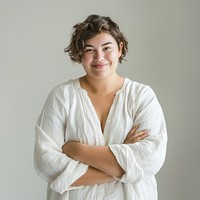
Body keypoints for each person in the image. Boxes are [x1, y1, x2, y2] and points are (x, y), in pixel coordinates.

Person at [34, 14, 167, 200]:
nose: (99, 57)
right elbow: (46, 164)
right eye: (90, 50)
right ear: (80, 54)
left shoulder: (142, 96)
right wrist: (125, 164)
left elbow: (150, 159)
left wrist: (76, 151)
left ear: (120, 49)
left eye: (107, 48)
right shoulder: (62, 96)